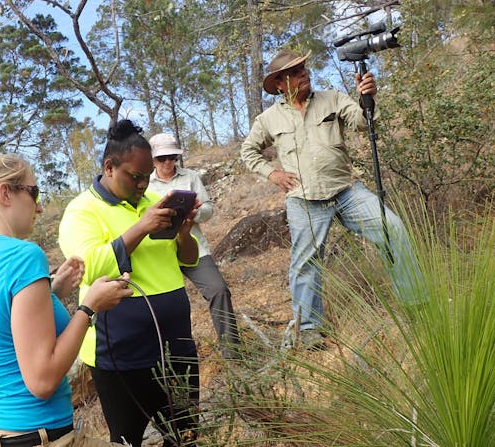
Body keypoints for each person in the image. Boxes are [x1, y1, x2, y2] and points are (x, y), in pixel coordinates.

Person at [0, 153, 133, 447]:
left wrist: (52, 291)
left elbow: (0, 321)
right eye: (34, 192)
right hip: (34, 436)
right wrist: (89, 307)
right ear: (5, 192)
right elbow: (42, 381)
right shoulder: (21, 256)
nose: (39, 207)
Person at [240, 49, 422, 350]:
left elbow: (364, 123)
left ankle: (415, 303)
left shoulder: (333, 98)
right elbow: (248, 152)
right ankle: (309, 329)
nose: (305, 74)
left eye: (304, 68)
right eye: (296, 72)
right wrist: (273, 175)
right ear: (281, 83)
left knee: (393, 229)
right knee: (305, 263)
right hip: (304, 200)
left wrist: (368, 98)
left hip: (346, 191)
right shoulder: (268, 119)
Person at [59, 120, 201, 446]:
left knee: (186, 437)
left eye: (147, 177)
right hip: (120, 355)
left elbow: (188, 260)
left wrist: (183, 231)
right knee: (127, 440)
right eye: (135, 177)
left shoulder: (154, 200)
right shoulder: (82, 211)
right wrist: (142, 228)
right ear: (109, 167)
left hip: (176, 346)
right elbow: (88, 268)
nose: (142, 185)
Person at [147, 133, 241, 359]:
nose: (168, 162)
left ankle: (234, 354)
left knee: (219, 290)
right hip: (160, 252)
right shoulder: (145, 184)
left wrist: (194, 212)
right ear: (153, 160)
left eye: (172, 157)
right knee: (166, 306)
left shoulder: (190, 177)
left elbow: (208, 209)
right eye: (162, 158)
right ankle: (170, 360)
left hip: (195, 246)